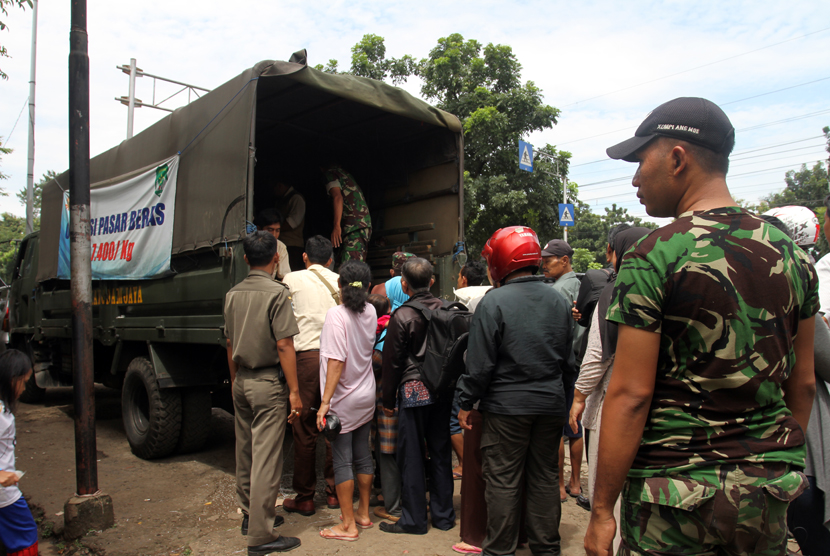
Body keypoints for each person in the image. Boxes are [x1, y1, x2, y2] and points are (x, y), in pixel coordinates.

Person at [586, 97, 818, 556]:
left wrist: (601, 512)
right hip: (766, 494)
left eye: (639, 161)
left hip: (673, 499)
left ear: (676, 158)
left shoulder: (655, 254)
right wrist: (774, 461)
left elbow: (631, 395)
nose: (634, 178)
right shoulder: (793, 256)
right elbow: (804, 383)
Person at [457, 226, 576, 556]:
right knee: (543, 479)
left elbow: (479, 366)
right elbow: (570, 362)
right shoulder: (559, 300)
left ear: (501, 260)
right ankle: (547, 549)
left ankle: (500, 551)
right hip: (550, 407)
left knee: (503, 482)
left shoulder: (493, 302)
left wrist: (466, 402)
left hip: (506, 410)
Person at [224, 230, 302, 555]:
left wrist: (234, 381)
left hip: (241, 380)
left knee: (246, 452)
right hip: (268, 384)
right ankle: (260, 536)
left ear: (245, 259)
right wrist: (294, 392)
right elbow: (284, 344)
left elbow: (229, 344)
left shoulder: (232, 294)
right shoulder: (277, 293)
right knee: (267, 459)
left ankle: (249, 516)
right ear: (275, 259)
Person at [569, 227, 651, 529]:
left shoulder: (616, 290)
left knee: (609, 496)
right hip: (657, 405)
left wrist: (579, 397)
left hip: (615, 402)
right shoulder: (667, 284)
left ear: (615, 253)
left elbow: (596, 355)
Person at [380, 258, 456, 535]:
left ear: (404, 283)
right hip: (444, 390)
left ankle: (413, 520)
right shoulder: (450, 309)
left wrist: (388, 401)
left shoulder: (402, 315)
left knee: (411, 454)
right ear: (432, 281)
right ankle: (444, 516)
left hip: (414, 389)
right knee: (440, 451)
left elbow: (392, 363)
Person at [316, 261, 377, 541]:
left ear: (340, 286)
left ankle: (348, 525)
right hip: (366, 396)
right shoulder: (372, 310)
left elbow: (336, 362)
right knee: (363, 455)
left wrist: (325, 402)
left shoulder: (335, 315)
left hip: (343, 400)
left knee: (342, 461)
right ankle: (363, 513)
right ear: (366, 287)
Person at [281, 236, 340, 516]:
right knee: (332, 425)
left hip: (304, 358)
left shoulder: (290, 279)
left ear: (305, 257)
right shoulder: (341, 281)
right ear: (330, 259)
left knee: (303, 427)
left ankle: (304, 497)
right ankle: (333, 493)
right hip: (335, 359)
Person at [541, 238, 587, 506]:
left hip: (561, 366)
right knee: (574, 425)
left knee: (559, 427)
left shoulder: (557, 291)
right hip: (577, 365)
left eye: (548, 260)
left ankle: (558, 485)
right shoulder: (581, 285)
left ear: (565, 260)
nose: (544, 265)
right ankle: (576, 482)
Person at [366, 294, 403, 524]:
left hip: (388, 403)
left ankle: (395, 507)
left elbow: (375, 363)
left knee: (387, 454)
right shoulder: (400, 324)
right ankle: (396, 498)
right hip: (406, 398)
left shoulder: (383, 332)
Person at [0, 349, 38, 556]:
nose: (24, 388)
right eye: (23, 382)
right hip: (5, 495)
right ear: (11, 379)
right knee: (26, 537)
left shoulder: (3, 409)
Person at [322, 164, 372, 264]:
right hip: (359, 224)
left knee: (351, 267)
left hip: (354, 226)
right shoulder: (343, 173)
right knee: (342, 265)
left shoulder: (331, 173)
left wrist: (336, 226)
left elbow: (337, 197)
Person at [273, 181, 307, 271]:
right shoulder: (282, 199)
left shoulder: (296, 198)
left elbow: (293, 222)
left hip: (292, 246)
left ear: (280, 185)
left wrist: (273, 228)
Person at [255, 208, 291, 280]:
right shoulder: (251, 245)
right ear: (259, 229)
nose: (274, 235)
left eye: (277, 230)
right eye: (270, 230)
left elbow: (285, 276)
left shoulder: (280, 247)